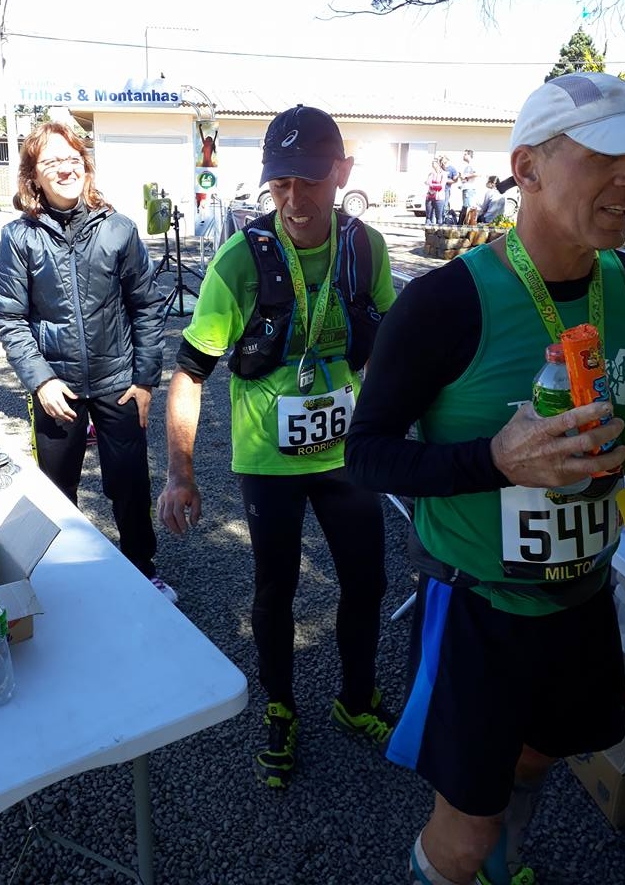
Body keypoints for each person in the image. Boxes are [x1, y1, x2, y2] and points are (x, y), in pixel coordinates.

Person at [345, 71, 625, 884]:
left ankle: (506, 862)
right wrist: (496, 461)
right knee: (463, 829)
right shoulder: (447, 303)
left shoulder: (624, 284)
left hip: (580, 597)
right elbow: (364, 455)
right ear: (528, 168)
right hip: (477, 611)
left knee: (540, 755)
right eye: (603, 155)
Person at [157, 104, 397, 788]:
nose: (293, 199)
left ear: (341, 173)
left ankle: (356, 699)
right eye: (279, 182)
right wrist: (179, 474)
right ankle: (280, 708)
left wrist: (387, 433)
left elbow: (382, 352)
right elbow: (190, 373)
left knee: (367, 582)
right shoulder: (240, 261)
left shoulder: (366, 248)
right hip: (270, 461)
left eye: (310, 181)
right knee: (275, 588)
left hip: (344, 454)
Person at [0, 122, 175, 602]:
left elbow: (147, 306)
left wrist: (145, 380)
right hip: (57, 387)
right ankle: (58, 575)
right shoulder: (19, 238)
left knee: (130, 482)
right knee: (56, 490)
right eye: (51, 161)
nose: (65, 167)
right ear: (33, 176)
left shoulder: (118, 229)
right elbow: (9, 317)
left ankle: (141, 567)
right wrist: (41, 380)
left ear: (85, 164)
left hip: (118, 382)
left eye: (71, 157)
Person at [458, 148, 479, 224]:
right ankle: (463, 223)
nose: (463, 156)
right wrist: (462, 178)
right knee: (465, 206)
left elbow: (477, 174)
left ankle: (466, 225)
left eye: (465, 154)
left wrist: (466, 177)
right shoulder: (467, 166)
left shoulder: (473, 164)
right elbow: (466, 179)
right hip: (466, 188)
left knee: (467, 207)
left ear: (469, 155)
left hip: (469, 189)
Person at [424, 158, 447, 225]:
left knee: (439, 218)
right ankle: (429, 233)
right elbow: (427, 182)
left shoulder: (444, 174)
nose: (432, 164)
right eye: (432, 163)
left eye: (434, 163)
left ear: (438, 164)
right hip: (429, 197)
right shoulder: (431, 173)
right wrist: (434, 184)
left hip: (439, 198)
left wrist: (431, 185)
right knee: (428, 217)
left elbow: (441, 187)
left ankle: (438, 233)